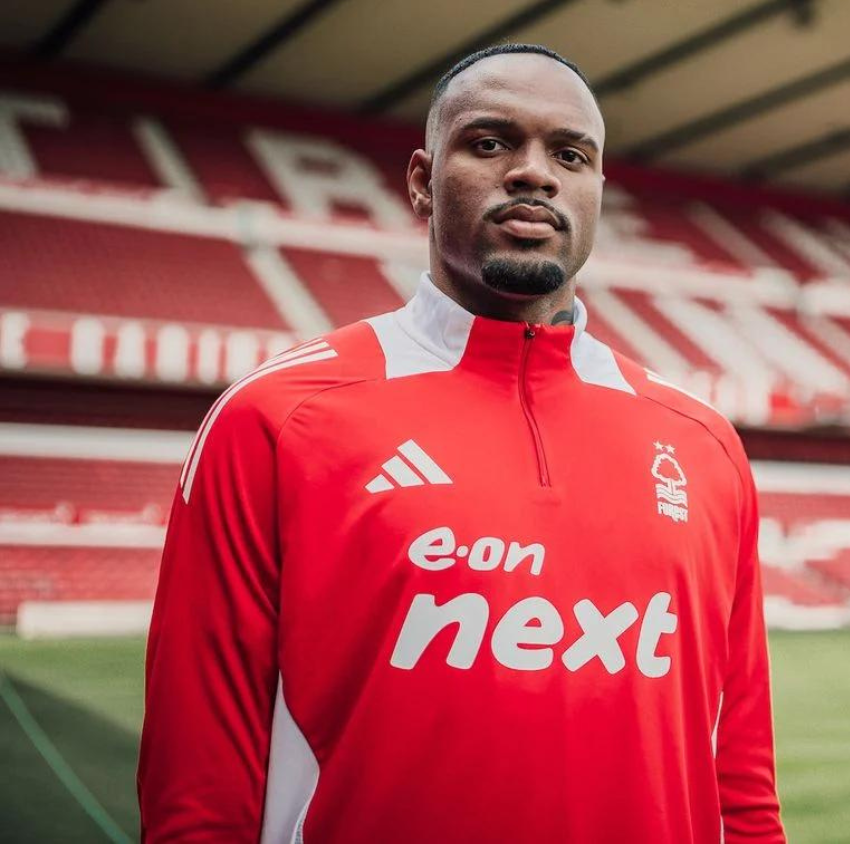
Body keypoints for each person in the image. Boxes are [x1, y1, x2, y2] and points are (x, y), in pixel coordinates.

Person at [138, 43, 785, 843]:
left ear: (597, 191)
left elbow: (742, 780)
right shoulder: (275, 418)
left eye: (570, 154)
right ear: (421, 180)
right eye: (490, 143)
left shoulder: (702, 443)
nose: (535, 173)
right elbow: (197, 794)